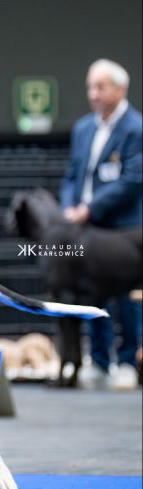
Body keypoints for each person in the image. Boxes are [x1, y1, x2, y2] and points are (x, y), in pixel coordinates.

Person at [58, 59, 142, 390]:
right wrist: (68, 209)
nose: (93, 94)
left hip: (121, 230)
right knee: (91, 296)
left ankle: (125, 362)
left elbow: (132, 181)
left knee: (123, 296)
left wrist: (89, 209)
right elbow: (71, 176)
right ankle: (99, 360)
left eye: (100, 87)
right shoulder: (83, 129)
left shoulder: (136, 129)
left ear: (120, 90)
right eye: (90, 87)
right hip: (85, 230)